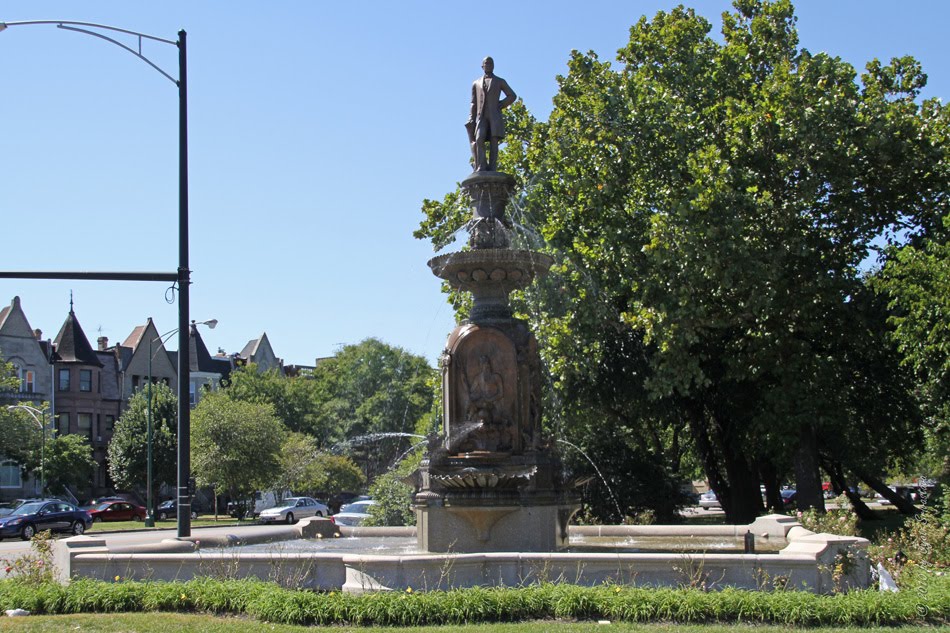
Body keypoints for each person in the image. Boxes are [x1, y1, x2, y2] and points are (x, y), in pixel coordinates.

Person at [466, 56, 517, 171]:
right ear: (482, 66)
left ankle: (493, 167)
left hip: (494, 116)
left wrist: (501, 104)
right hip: (481, 116)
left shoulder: (499, 81)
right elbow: (473, 102)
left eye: (491, 63)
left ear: (493, 66)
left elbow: (512, 95)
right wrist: (471, 117)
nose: (488, 65)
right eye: (486, 63)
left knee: (494, 142)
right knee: (479, 139)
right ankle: (481, 165)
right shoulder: (476, 83)